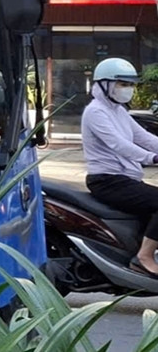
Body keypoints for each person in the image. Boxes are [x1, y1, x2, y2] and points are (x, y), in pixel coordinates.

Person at [82, 57, 158, 277]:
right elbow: (119, 144)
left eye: (131, 84)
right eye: (123, 84)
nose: (129, 89)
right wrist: (152, 158)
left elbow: (143, 137)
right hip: (108, 180)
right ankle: (143, 258)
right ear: (105, 85)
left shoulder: (118, 111)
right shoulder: (96, 111)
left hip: (126, 179)